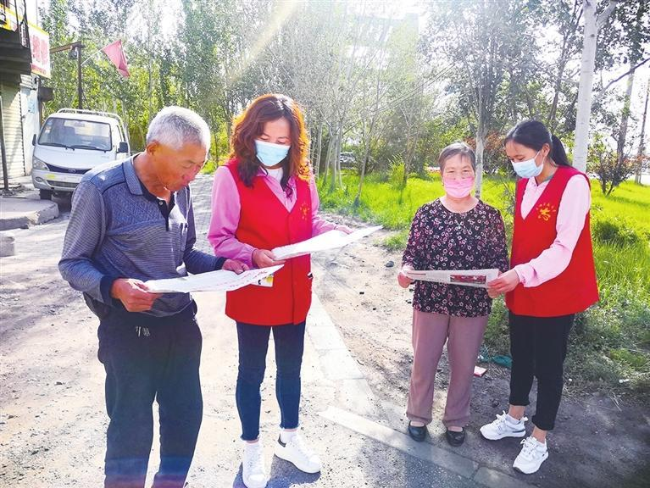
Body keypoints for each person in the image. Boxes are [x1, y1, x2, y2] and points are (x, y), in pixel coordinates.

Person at [59, 106, 247, 488]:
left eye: (200, 166)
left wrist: (221, 265)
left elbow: (185, 252)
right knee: (130, 431)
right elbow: (72, 263)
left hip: (180, 325)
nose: (193, 175)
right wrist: (115, 288)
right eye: (187, 165)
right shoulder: (101, 189)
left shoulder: (181, 189)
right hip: (128, 330)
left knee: (184, 420)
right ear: (154, 148)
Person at [208, 94, 351, 488]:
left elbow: (312, 221)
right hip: (255, 290)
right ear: (250, 134)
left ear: (294, 142)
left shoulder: (302, 175)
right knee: (251, 372)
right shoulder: (231, 176)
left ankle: (289, 437)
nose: (273, 146)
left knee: (291, 369)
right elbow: (220, 238)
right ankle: (251, 446)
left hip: (294, 292)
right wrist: (252, 253)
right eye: (265, 137)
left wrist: (332, 231)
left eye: (283, 140)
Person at [481, 120, 598, 474]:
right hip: (522, 286)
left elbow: (563, 248)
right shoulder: (525, 183)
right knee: (521, 357)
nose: (516, 163)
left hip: (556, 291)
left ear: (544, 150)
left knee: (548, 366)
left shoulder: (573, 184)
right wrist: (507, 273)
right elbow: (525, 238)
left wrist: (520, 274)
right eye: (511, 158)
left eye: (520, 156)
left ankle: (539, 437)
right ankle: (514, 418)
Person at [397, 142, 509, 447]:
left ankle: (456, 420)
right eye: (451, 171)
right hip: (430, 300)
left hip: (473, 305)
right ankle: (418, 415)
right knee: (424, 361)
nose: (459, 178)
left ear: (474, 173)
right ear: (441, 174)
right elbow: (412, 255)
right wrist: (406, 271)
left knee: (464, 365)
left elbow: (499, 260)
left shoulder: (490, 216)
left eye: (465, 171)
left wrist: (497, 282)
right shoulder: (427, 213)